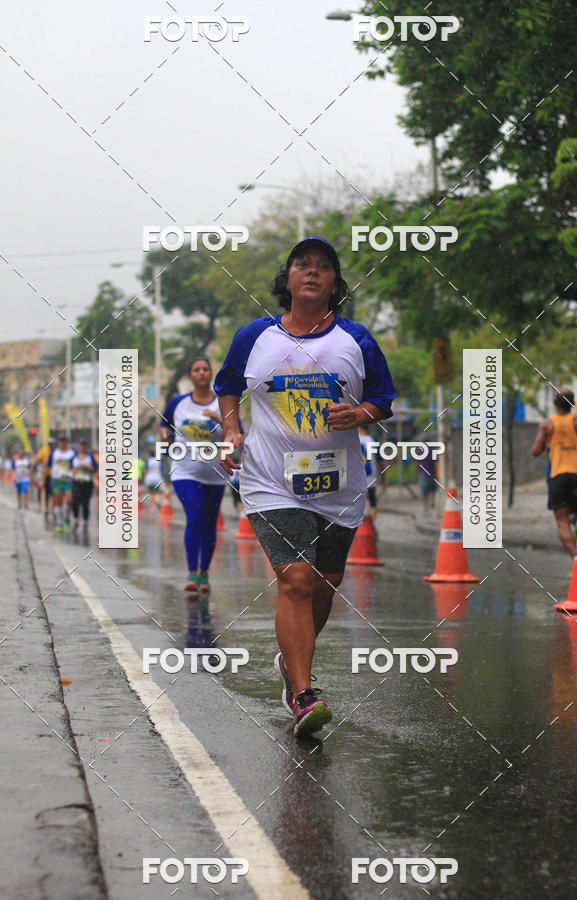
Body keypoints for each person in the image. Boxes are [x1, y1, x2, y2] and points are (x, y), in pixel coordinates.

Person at [216, 235, 395, 737]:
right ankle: (302, 691)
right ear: (288, 279)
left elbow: (383, 398)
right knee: (295, 578)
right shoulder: (255, 336)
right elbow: (228, 386)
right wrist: (232, 429)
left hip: (339, 487)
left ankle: (291, 660)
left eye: (322, 266)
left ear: (335, 283)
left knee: (323, 586)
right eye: (302, 265)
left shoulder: (355, 340)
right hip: (271, 481)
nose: (311, 272)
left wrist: (360, 412)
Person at [160, 358, 228, 593]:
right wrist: (165, 437)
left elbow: (236, 433)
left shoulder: (223, 403)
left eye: (205, 369)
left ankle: (204, 573)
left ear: (211, 374)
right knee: (196, 518)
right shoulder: (178, 403)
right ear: (190, 375)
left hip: (215, 474)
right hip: (185, 470)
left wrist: (219, 420)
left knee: (210, 524)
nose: (201, 373)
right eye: (196, 369)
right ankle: (192, 572)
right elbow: (164, 424)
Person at [532, 389, 577, 556]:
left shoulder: (547, 424)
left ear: (555, 404)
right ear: (572, 403)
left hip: (559, 476)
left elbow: (535, 450)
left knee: (562, 523)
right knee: (575, 513)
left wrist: (546, 443)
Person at [47, 434, 76, 532]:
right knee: (57, 501)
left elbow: (75, 466)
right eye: (61, 441)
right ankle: (59, 522)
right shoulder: (54, 453)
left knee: (69, 499)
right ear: (58, 443)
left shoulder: (72, 453)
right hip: (57, 480)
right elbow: (49, 466)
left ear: (67, 442)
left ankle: (67, 516)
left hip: (68, 479)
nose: (63, 443)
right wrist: (46, 478)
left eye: (65, 441)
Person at [71, 439, 97, 533]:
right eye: (81, 445)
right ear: (79, 446)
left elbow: (95, 469)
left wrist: (86, 467)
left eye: (84, 445)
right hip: (76, 482)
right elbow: (70, 468)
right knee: (75, 501)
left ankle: (85, 522)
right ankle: (76, 520)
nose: (82, 447)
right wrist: (75, 470)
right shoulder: (74, 456)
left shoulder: (90, 457)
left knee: (85, 503)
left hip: (86, 482)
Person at [358, 425, 382, 520]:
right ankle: (371, 526)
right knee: (373, 501)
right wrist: (383, 476)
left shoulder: (354, 439)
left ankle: (359, 529)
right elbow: (380, 460)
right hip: (371, 477)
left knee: (357, 503)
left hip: (356, 479)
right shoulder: (373, 440)